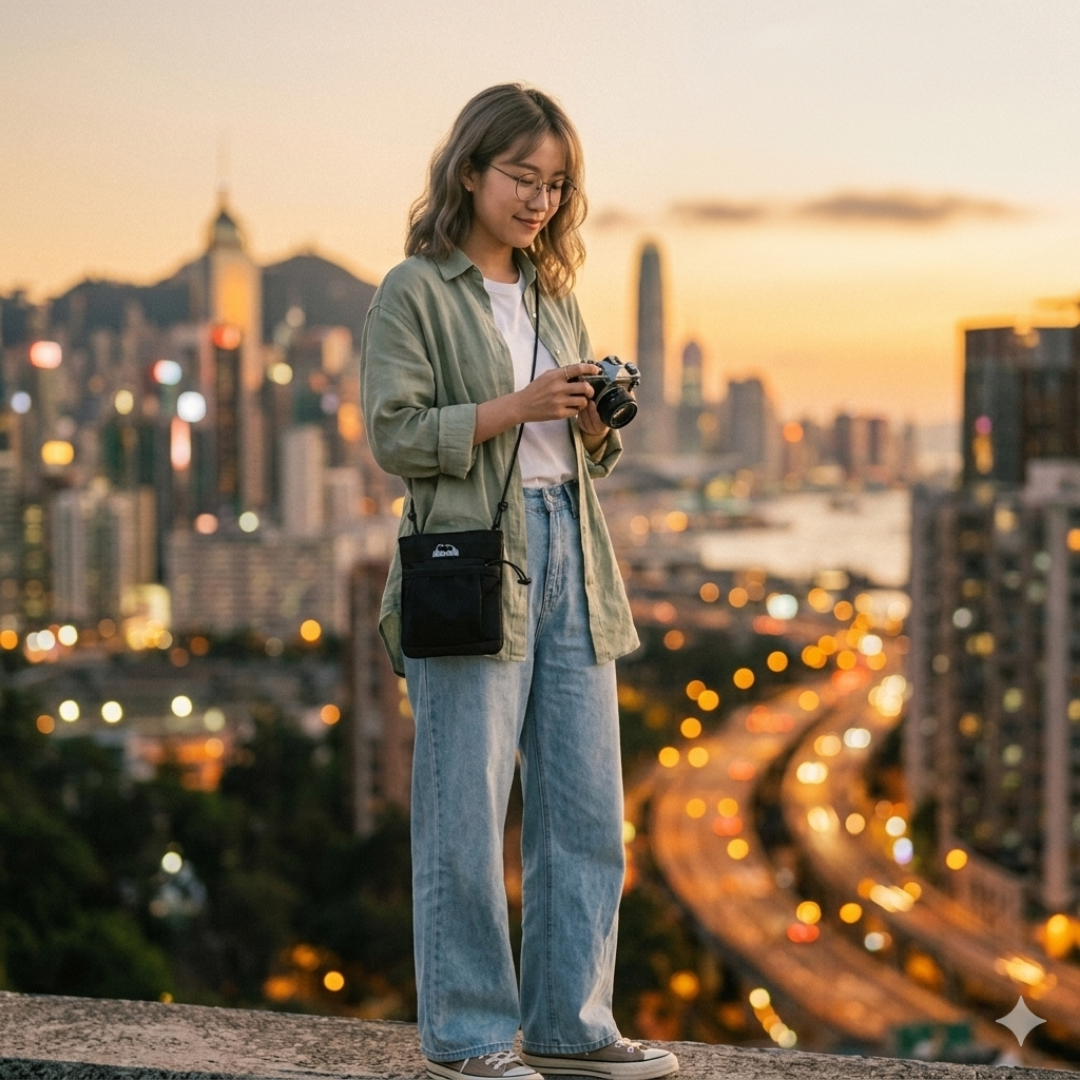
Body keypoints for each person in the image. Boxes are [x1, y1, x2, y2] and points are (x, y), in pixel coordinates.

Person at [361, 84, 678, 1080]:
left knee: (586, 809)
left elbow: (577, 456)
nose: (539, 201)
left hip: (575, 558)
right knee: (465, 811)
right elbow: (396, 437)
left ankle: (572, 1028)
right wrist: (521, 402)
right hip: (469, 566)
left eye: (556, 184)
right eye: (521, 178)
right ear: (469, 171)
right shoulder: (414, 290)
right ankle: (469, 1040)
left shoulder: (552, 291)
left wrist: (589, 421)